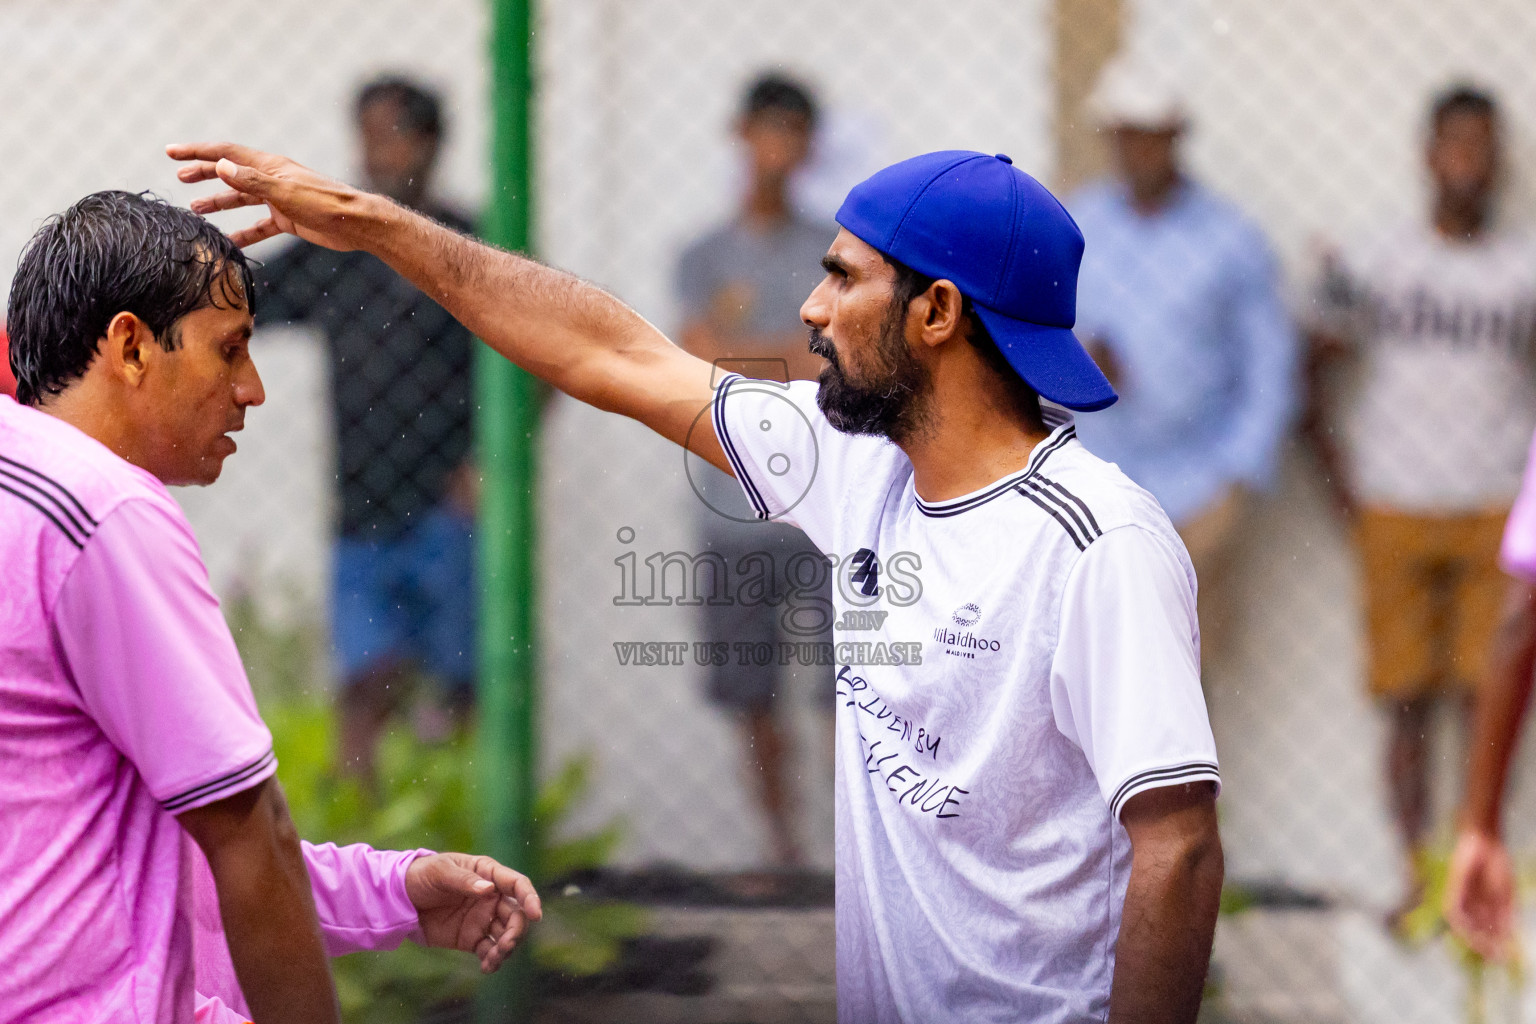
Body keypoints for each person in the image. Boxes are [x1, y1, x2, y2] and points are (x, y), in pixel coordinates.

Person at [171, 140, 1225, 1023]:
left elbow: (1176, 851)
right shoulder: (857, 465)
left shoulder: (1098, 541)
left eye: (844, 276)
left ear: (937, 311)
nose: (809, 309)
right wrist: (379, 226)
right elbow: (612, 354)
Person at [0, 190, 538, 1023]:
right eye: (231, 350)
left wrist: (394, 891)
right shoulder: (106, 512)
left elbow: (143, 852)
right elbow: (247, 836)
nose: (251, 389)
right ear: (131, 347)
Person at [1307, 84, 1536, 926]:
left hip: (1496, 509)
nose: (1469, 163)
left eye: (1484, 146)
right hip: (1397, 503)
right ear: (1428, 153)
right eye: (1454, 145)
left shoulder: (1523, 270)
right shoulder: (1380, 262)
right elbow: (1311, 368)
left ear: (1500, 159)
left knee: (1489, 697)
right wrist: (1345, 493)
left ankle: (1479, 861)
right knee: (1406, 705)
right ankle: (1416, 874)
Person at [255, 75, 479, 786]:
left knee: (462, 680)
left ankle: (458, 827)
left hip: (450, 502)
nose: (373, 153)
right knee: (367, 678)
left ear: (431, 143)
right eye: (365, 135)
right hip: (359, 503)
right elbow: (241, 297)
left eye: (391, 135)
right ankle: (362, 838)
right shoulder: (336, 249)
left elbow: (540, 362)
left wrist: (490, 466)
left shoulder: (467, 247)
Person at [1068, 56, 1298, 675]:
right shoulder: (1077, 226)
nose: (1136, 146)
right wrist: (1079, 365)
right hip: (1092, 494)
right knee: (1094, 672)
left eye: (1150, 131)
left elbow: (1271, 367)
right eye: (1125, 131)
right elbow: (1037, 337)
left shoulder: (1230, 238)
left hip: (1197, 495)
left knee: (1185, 674)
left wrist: (1235, 480)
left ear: (1176, 135)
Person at [675, 73, 834, 868]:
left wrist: (746, 358)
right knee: (752, 696)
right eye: (766, 128)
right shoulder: (700, 255)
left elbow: (824, 364)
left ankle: (861, 862)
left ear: (808, 144)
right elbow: (698, 362)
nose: (777, 148)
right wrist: (783, 357)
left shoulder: (832, 251)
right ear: (741, 134)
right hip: (732, 509)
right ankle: (785, 856)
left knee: (855, 689)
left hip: (824, 505)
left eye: (793, 131)